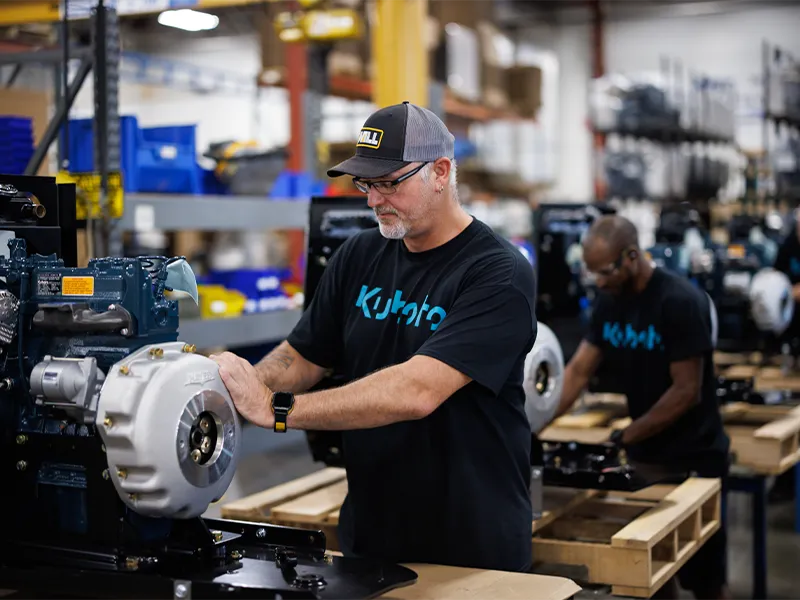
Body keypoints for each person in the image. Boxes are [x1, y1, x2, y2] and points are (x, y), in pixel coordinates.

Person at [211, 101, 538, 572]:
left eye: (389, 183)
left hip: (470, 543)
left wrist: (277, 410)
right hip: (372, 533)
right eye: (366, 183)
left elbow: (418, 391)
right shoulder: (358, 254)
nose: (372, 199)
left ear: (441, 172)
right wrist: (237, 387)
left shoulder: (497, 272)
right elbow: (306, 355)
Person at [550, 215, 732, 600]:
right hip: (647, 456)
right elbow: (579, 371)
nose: (599, 281)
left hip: (694, 457)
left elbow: (686, 392)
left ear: (632, 256)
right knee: (650, 575)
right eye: (593, 273)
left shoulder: (680, 301)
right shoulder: (608, 300)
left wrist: (625, 435)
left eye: (606, 271)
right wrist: (535, 422)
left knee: (705, 582)